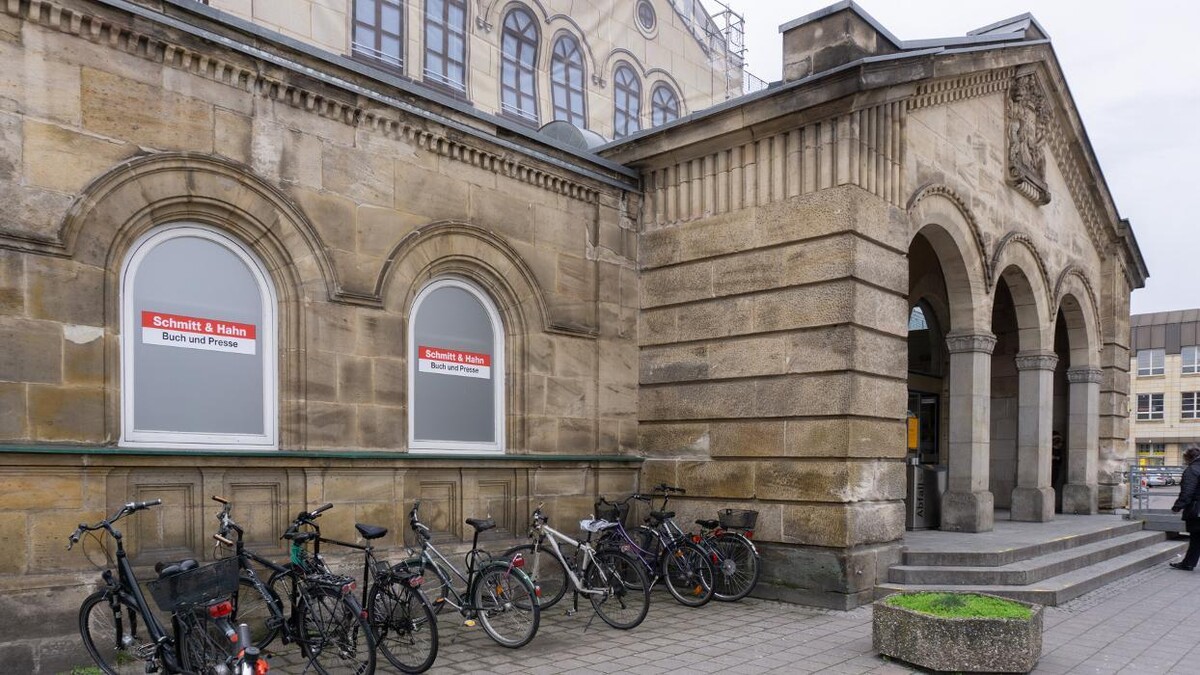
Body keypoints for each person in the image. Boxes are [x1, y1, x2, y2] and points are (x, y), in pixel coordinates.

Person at [1169, 445, 1200, 570]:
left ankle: (1188, 563)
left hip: (1197, 510)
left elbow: (1187, 491)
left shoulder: (1192, 470)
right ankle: (1188, 563)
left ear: (1188, 458)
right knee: (1197, 539)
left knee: (1196, 537)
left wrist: (1177, 507)